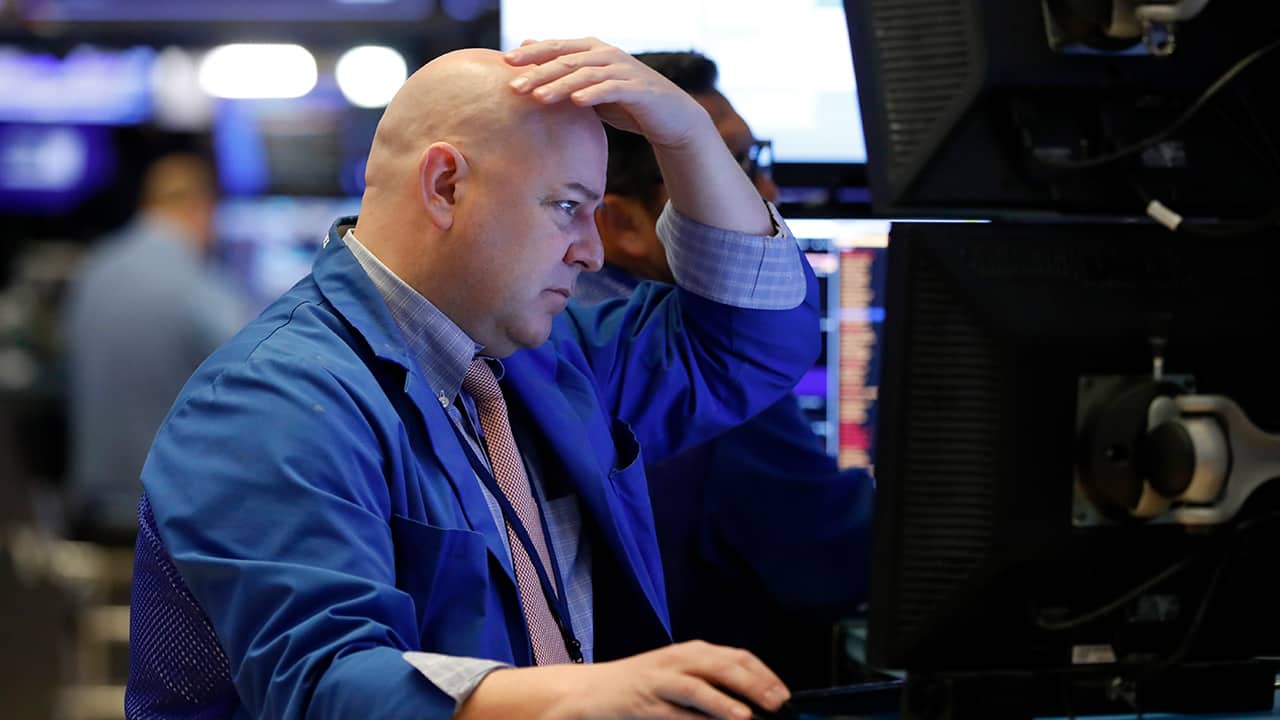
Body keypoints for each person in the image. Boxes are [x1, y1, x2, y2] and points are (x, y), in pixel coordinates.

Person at [127, 38, 820, 720]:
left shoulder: (543, 359)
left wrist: (689, 136)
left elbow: (751, 344)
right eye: (568, 207)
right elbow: (327, 687)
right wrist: (587, 694)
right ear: (445, 186)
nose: (592, 250)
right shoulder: (270, 402)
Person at [580, 50, 875, 690]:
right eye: (731, 168)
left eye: (751, 159)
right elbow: (843, 560)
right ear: (620, 222)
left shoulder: (552, 324)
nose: (766, 193)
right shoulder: (701, 366)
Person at [62, 151, 248, 544]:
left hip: (92, 513)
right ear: (201, 209)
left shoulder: (92, 272)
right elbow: (256, 379)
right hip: (168, 523)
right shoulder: (199, 287)